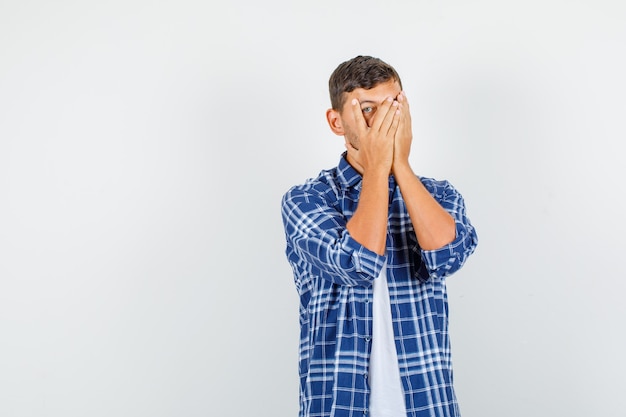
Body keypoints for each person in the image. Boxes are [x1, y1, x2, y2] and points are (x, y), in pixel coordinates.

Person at [280, 55, 478, 417]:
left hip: (428, 403)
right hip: (340, 403)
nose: (385, 120)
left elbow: (449, 256)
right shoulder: (307, 200)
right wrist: (376, 168)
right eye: (369, 109)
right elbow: (359, 263)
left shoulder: (439, 194)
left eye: (394, 105)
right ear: (337, 121)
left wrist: (399, 165)